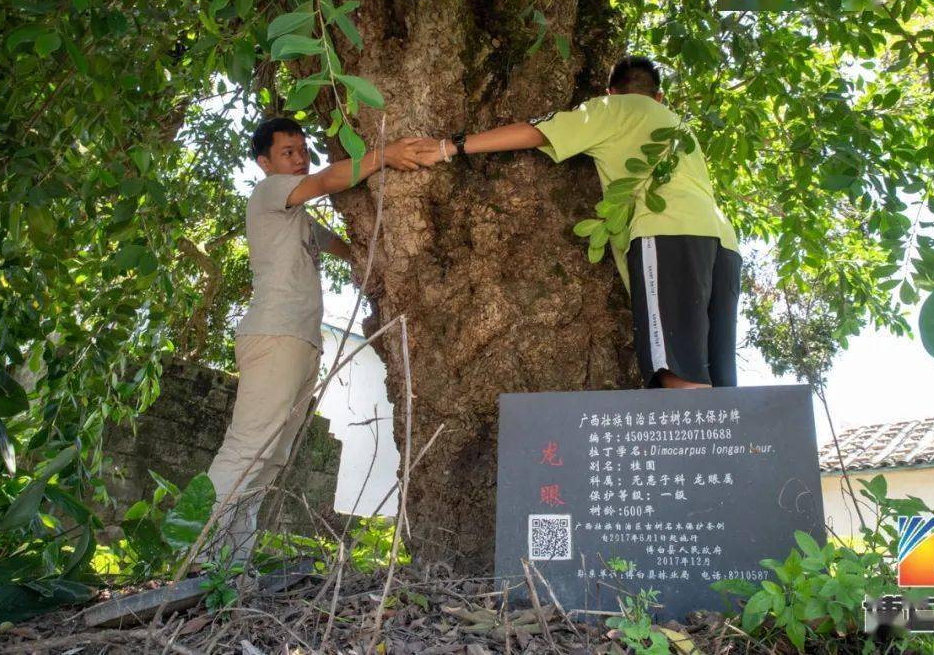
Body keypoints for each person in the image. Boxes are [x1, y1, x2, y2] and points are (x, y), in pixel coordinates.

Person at [414, 56, 740, 389]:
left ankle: (687, 443)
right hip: (724, 244)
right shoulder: (679, 127)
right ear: (659, 96)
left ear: (612, 92)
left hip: (670, 233)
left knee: (678, 372)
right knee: (720, 388)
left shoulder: (611, 109)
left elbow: (535, 132)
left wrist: (448, 146)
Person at [205, 117, 423, 565]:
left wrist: (377, 258)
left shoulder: (296, 218)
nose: (300, 158)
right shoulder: (270, 193)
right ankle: (200, 553)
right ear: (265, 162)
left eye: (303, 150)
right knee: (249, 447)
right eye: (288, 152)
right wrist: (384, 156)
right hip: (275, 334)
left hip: (299, 341)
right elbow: (327, 179)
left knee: (272, 457)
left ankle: (231, 563)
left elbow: (342, 246)